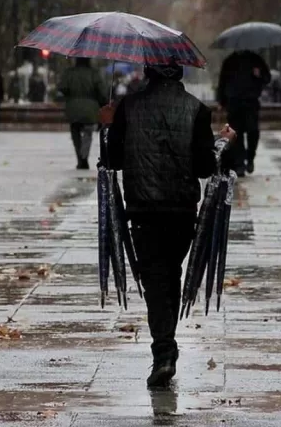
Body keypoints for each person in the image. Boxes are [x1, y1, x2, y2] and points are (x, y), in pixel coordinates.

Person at [99, 62, 236, 388]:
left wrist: (107, 125)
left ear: (148, 72)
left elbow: (113, 160)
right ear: (179, 73)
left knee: (157, 281)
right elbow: (204, 168)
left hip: (143, 211)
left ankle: (164, 352)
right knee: (168, 276)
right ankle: (165, 348)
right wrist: (222, 142)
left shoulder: (128, 107)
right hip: (181, 212)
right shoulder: (196, 109)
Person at [217, 50, 270, 176]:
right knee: (237, 135)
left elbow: (267, 78)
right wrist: (221, 100)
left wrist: (259, 75)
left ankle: (250, 157)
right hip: (234, 103)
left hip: (251, 102)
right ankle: (239, 164)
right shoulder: (230, 61)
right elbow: (222, 82)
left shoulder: (256, 59)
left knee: (253, 132)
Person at [57, 58, 108, 170]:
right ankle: (84, 157)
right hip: (91, 108)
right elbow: (102, 93)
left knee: (75, 133)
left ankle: (80, 159)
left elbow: (62, 87)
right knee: (88, 134)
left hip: (73, 108)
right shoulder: (94, 73)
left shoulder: (70, 73)